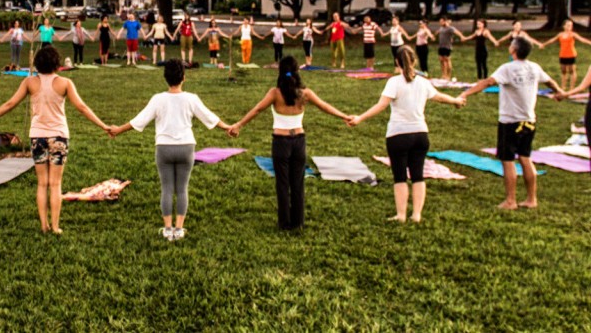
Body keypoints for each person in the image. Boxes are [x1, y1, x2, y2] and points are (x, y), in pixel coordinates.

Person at [0, 47, 110, 234]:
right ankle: (55, 226)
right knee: (55, 184)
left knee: (42, 183)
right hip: (59, 137)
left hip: (38, 137)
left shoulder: (29, 82)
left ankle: (44, 226)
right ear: (56, 63)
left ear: (37, 63)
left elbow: (10, 104)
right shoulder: (65, 83)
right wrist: (104, 126)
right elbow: (82, 107)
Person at [108, 60, 231, 240]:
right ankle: (179, 229)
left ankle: (167, 229)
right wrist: (228, 127)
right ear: (184, 78)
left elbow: (139, 120)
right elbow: (209, 117)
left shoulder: (158, 99)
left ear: (165, 78)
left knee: (167, 189)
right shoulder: (191, 98)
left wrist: (118, 129)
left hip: (164, 148)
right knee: (182, 189)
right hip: (186, 148)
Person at [229, 56, 352, 230]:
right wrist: (344, 116)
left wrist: (239, 125)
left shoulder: (275, 93)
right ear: (297, 72)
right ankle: (298, 222)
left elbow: (257, 109)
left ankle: (284, 222)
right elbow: (324, 106)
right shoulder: (304, 93)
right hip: (299, 141)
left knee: (282, 183)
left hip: (281, 142)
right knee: (297, 183)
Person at [347, 47, 465, 222]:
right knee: (418, 175)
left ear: (397, 62)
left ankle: (401, 215)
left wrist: (360, 118)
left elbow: (381, 105)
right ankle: (416, 215)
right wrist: (455, 100)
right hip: (420, 135)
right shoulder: (423, 82)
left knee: (400, 176)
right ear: (414, 61)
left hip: (398, 136)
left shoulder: (394, 82)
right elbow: (440, 97)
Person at [459, 37, 563, 210]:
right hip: (529, 121)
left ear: (514, 50)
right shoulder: (534, 67)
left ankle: (510, 200)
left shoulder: (507, 68)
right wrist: (560, 92)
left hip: (510, 122)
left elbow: (488, 82)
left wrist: (465, 94)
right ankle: (531, 199)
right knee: (525, 158)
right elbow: (550, 81)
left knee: (507, 160)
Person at [541, 19, 591, 91]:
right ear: (564, 26)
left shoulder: (573, 34)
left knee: (572, 71)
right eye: (568, 25)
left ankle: (572, 88)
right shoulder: (560, 34)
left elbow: (582, 39)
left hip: (571, 54)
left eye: (571, 26)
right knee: (563, 71)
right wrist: (544, 44)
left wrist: (589, 42)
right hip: (563, 55)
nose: (569, 27)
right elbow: (552, 40)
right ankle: (563, 87)